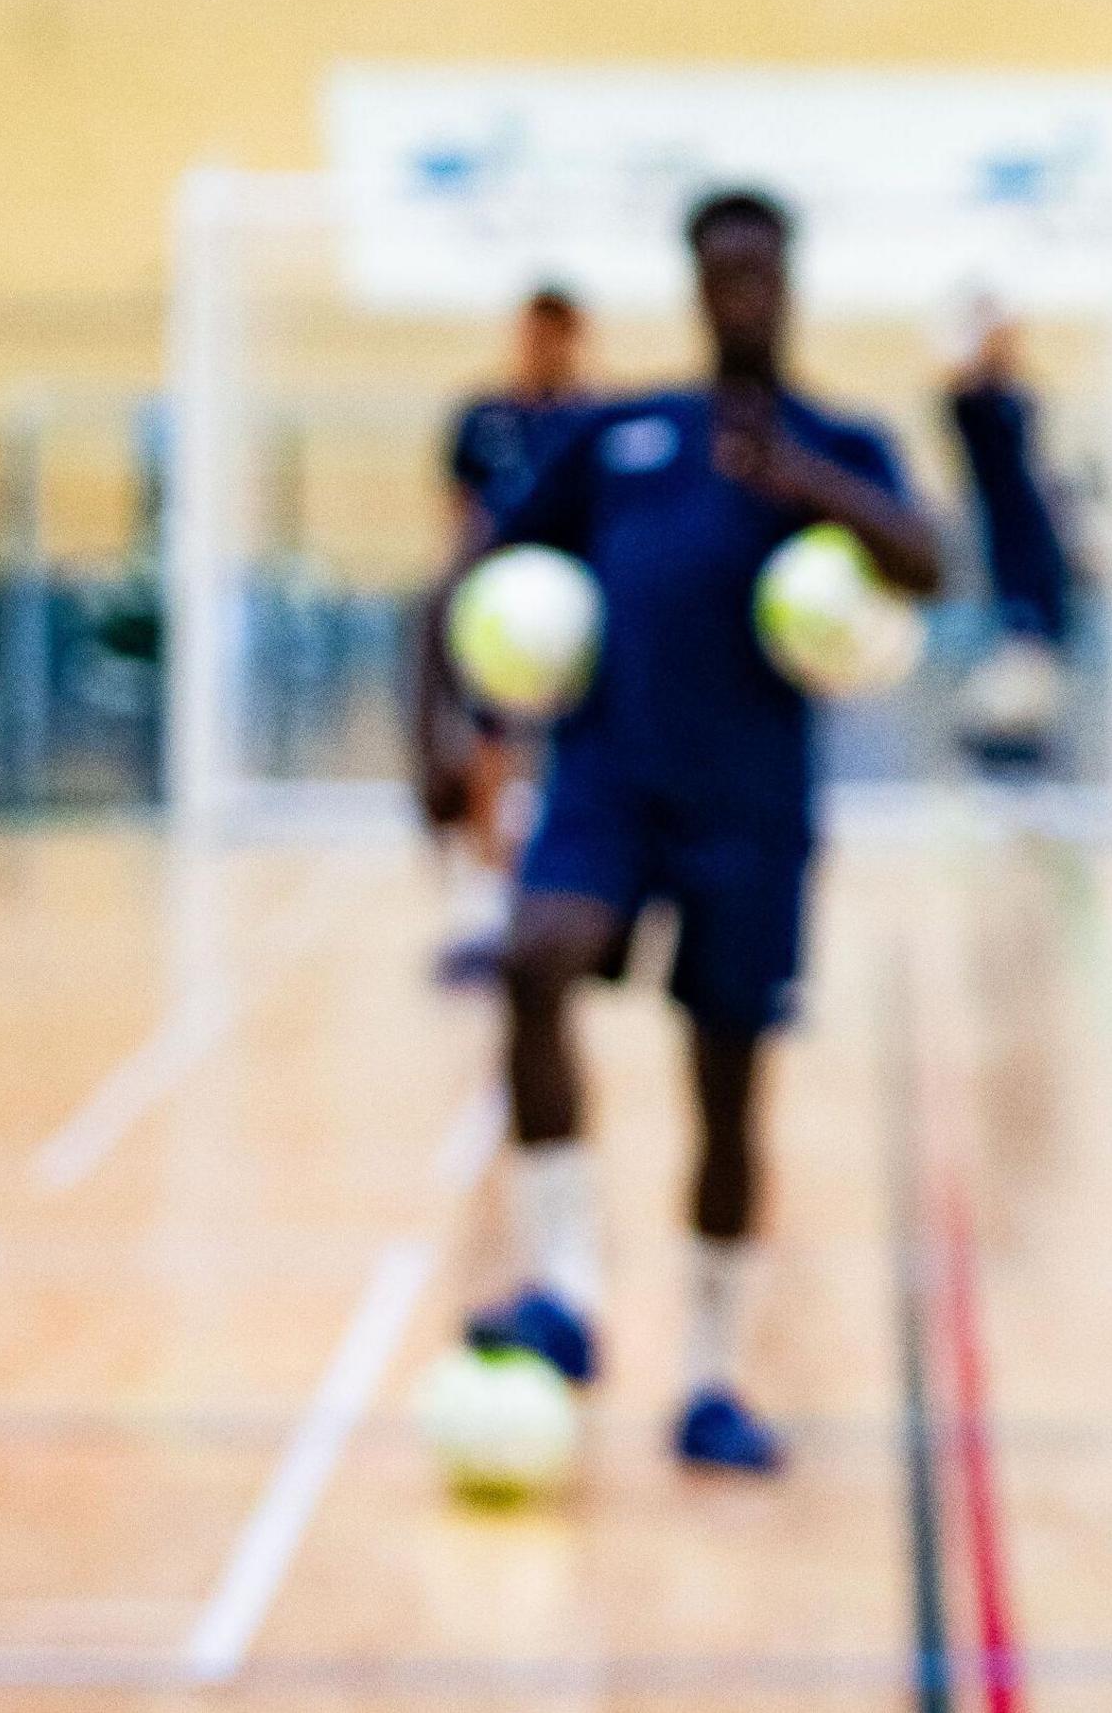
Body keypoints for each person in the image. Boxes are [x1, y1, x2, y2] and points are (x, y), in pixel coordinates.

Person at [462, 191, 939, 1473]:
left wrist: (807, 484)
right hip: (608, 781)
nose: (742, 290)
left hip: (753, 815)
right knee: (533, 958)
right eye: (720, 270)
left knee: (727, 1095)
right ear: (695, 281)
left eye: (761, 269)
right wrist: (444, 731)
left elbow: (931, 562)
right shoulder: (622, 433)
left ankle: (714, 1376)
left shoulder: (837, 440)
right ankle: (563, 1282)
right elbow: (480, 567)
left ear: (789, 280)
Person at [422, 286, 591, 982]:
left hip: (573, 614)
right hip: (497, 614)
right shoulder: (482, 417)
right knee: (488, 747)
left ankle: (563, 896)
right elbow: (457, 508)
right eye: (534, 331)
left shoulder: (589, 419)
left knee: (566, 751)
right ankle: (493, 901)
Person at [942, 300, 1072, 768]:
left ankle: (1019, 771)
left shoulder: (1016, 404)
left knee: (1032, 676)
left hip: (1033, 559)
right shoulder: (974, 406)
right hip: (1003, 555)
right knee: (1014, 670)